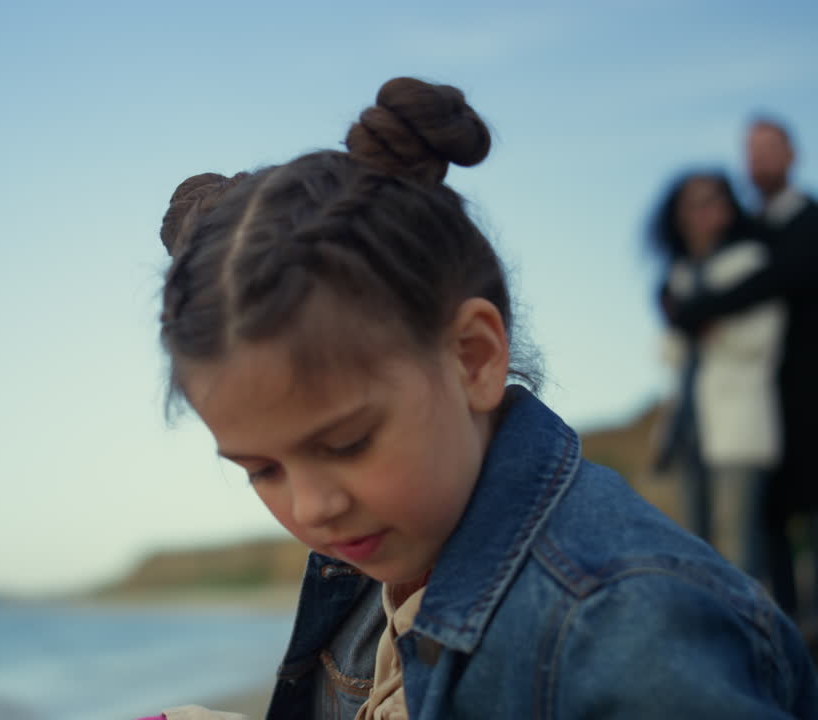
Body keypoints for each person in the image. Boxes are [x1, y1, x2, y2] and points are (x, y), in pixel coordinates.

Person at [137, 78, 817, 720]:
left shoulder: (629, 635)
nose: (312, 508)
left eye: (346, 443)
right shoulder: (390, 547)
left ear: (474, 358)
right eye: (262, 470)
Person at [673, 118, 818, 619]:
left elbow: (779, 278)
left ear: (792, 154)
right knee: (766, 525)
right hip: (758, 401)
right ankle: (792, 630)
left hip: (804, 395)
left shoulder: (806, 224)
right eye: (751, 152)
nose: (759, 161)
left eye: (769, 149)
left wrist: (699, 309)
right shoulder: (748, 234)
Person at [650, 171, 784, 581]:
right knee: (697, 544)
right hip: (691, 425)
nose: (704, 213)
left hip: (740, 425)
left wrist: (698, 320)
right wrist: (703, 320)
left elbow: (759, 339)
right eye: (693, 204)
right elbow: (668, 351)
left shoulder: (749, 261)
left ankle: (753, 643)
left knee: (739, 546)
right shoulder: (680, 275)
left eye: (713, 200)